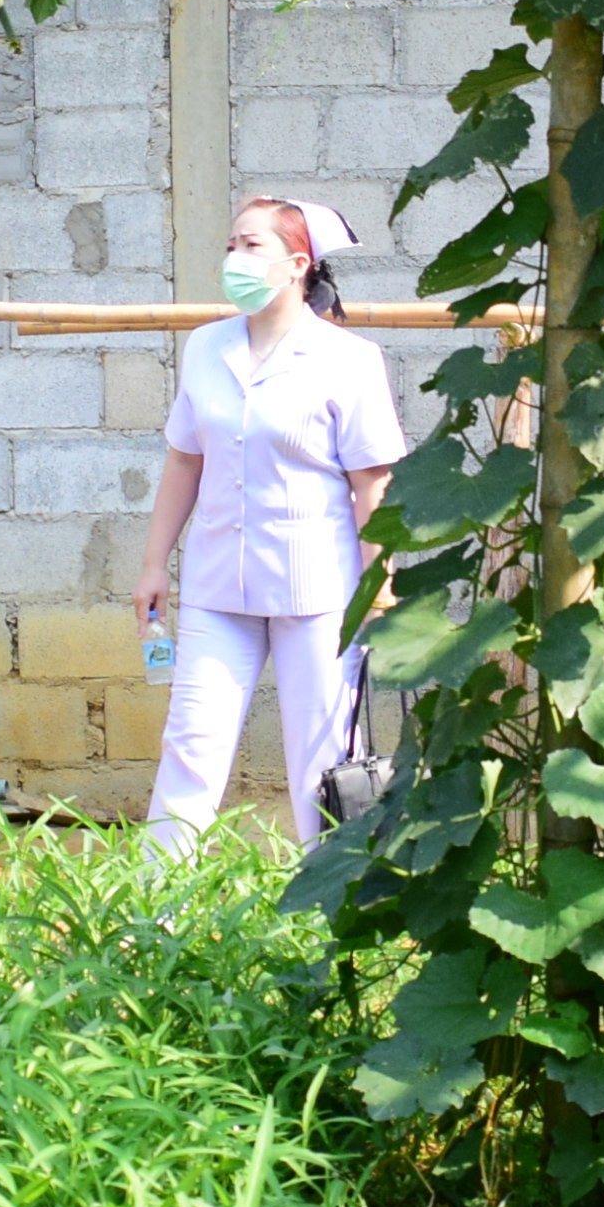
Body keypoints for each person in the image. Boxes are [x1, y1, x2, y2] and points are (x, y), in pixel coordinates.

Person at [137, 198, 408, 848]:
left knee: (322, 759)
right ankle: (151, 916)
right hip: (217, 588)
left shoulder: (349, 359)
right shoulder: (206, 347)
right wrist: (153, 564)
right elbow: (183, 461)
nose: (235, 257)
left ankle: (333, 912)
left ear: (297, 264)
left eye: (251, 245)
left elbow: (372, 486)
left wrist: (380, 586)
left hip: (318, 594)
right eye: (231, 243)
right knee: (190, 748)